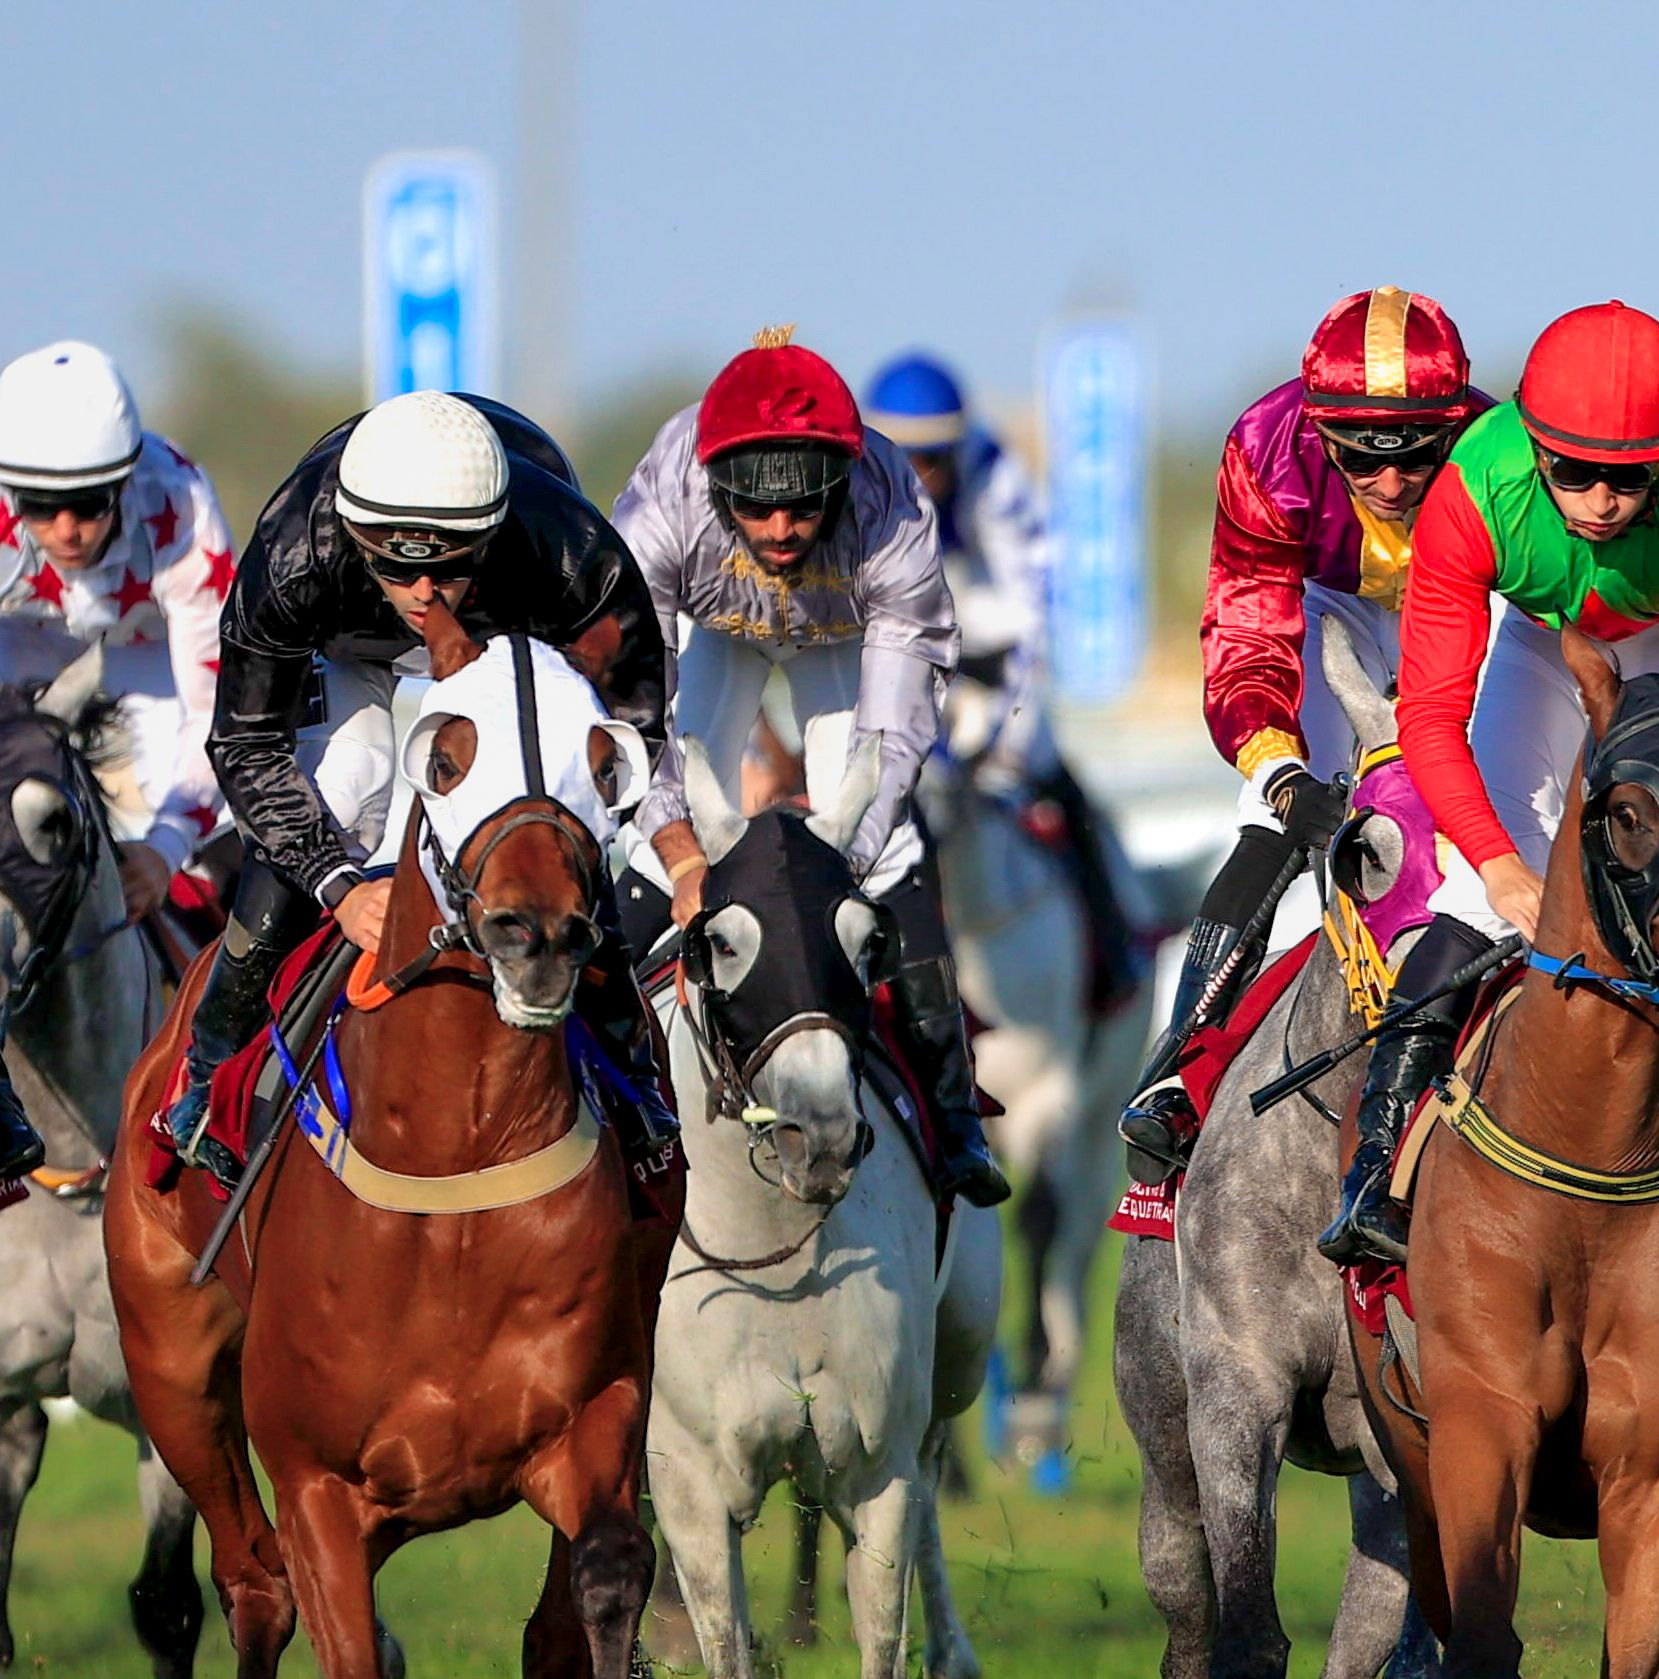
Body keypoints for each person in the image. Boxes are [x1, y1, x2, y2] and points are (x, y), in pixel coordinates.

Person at [1321, 299, 1659, 1266]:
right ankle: (1377, 1159)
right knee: (1473, 892)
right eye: (1573, 473)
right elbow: (1430, 717)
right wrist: (1495, 868)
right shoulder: (1469, 494)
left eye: (1627, 476)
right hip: (1544, 642)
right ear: (1531, 447)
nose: (1600, 501)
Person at [168, 388, 676, 1188]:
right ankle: (208, 1067)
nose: (425, 593)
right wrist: (339, 887)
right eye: (398, 565)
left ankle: (631, 1066)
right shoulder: (294, 549)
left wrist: (567, 828)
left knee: (547, 815)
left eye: (447, 564)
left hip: (517, 640)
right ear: (354, 536)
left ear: (493, 536)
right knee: (345, 785)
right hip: (347, 650)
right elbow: (247, 744)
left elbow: (634, 721)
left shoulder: (572, 554)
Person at [615, 330, 1010, 1208]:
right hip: (715, 638)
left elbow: (898, 724)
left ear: (843, 482)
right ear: (713, 487)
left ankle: (951, 1115)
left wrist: (838, 862)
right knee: (653, 847)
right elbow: (627, 711)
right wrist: (681, 856)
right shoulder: (658, 507)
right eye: (753, 510)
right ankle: (600, 1083)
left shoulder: (891, 505)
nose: (781, 531)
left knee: (888, 845)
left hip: (846, 643)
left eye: (803, 508)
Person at [1119, 287, 1484, 1178]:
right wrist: (1283, 776)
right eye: (1362, 459)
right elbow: (1247, 628)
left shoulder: (1495, 451)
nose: (1392, 484)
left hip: (1469, 600)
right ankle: (1180, 1068)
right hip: (1330, 611)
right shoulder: (1264, 446)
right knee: (1275, 809)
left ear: (1453, 427)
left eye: (1415, 457)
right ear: (1319, 428)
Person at [0, 341, 238, 1181]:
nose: (66, 530)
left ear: (127, 482)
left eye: (91, 505)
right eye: (38, 505)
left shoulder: (179, 502)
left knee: (209, 862)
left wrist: (164, 847)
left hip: (146, 664)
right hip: (18, 653)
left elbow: (221, 714)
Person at [860, 350, 1142, 1008]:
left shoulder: (995, 476)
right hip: (897, 664)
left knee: (1051, 778)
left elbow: (1033, 613)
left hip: (984, 657)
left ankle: (1114, 949)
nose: (918, 477)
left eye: (932, 459)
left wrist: (998, 731)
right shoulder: (850, 489)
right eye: (901, 458)